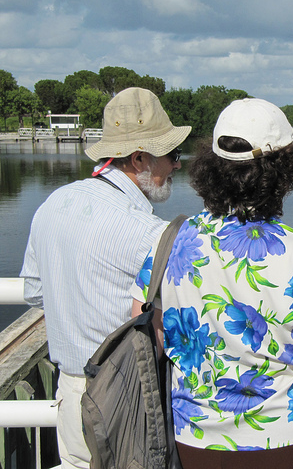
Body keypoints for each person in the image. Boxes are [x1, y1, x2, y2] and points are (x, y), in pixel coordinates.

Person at [131, 98, 293, 469]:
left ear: (212, 167)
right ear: (283, 172)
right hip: (288, 445)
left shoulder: (168, 244)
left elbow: (148, 340)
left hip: (193, 445)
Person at [20, 87, 192, 469]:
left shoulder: (54, 203)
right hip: (125, 398)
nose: (177, 166)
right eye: (173, 155)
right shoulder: (147, 231)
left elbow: (34, 292)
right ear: (140, 159)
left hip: (70, 390)